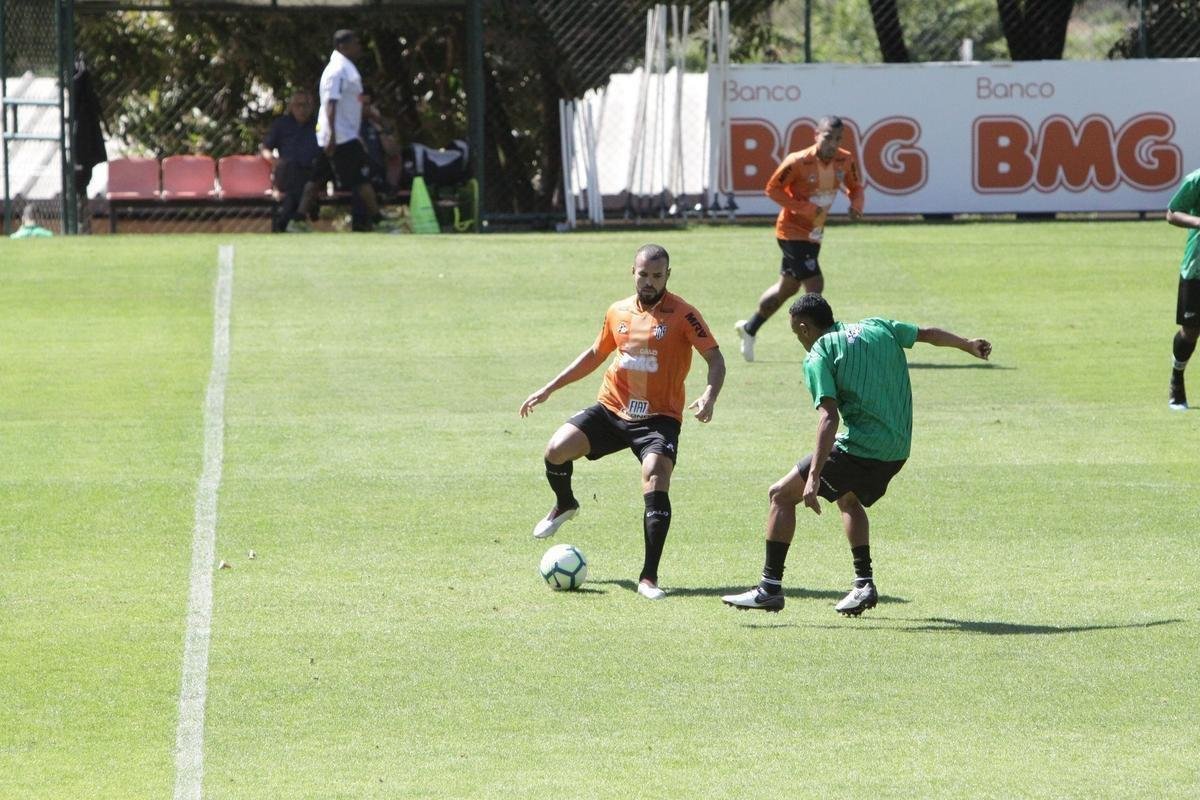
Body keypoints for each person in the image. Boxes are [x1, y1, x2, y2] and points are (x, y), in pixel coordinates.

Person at [722, 294, 991, 616]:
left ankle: (769, 588)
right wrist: (967, 345)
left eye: (797, 335)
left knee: (780, 495)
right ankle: (864, 585)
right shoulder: (878, 327)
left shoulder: (820, 353)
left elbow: (829, 418)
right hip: (898, 449)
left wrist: (814, 476)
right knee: (848, 498)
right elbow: (926, 333)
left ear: (805, 328)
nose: (800, 341)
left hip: (863, 449)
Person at [519, 244, 726, 600]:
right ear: (633, 272)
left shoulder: (684, 314)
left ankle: (648, 578)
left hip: (658, 419)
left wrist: (709, 395)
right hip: (612, 409)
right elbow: (594, 354)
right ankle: (565, 504)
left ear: (668, 276)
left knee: (656, 477)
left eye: (656, 276)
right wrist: (549, 388)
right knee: (555, 450)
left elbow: (716, 359)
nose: (648, 282)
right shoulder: (618, 311)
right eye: (643, 275)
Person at [734, 116, 864, 362]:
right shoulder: (798, 161)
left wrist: (856, 204)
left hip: (814, 233)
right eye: (828, 137)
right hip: (791, 231)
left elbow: (856, 186)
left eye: (838, 139)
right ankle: (822, 344)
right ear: (816, 134)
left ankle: (749, 329)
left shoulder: (844, 160)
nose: (832, 144)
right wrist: (804, 208)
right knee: (815, 285)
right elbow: (772, 188)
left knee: (787, 288)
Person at [296, 29, 382, 232]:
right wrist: (332, 135)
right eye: (355, 43)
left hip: (344, 134)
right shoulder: (336, 71)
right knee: (361, 179)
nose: (359, 47)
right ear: (342, 46)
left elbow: (350, 104)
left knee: (317, 179)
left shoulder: (347, 68)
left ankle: (297, 220)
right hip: (339, 136)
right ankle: (380, 220)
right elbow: (331, 103)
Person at [260, 89, 321, 233]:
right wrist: (275, 161)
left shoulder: (319, 125)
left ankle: (286, 222)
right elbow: (265, 149)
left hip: (312, 172)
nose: (302, 109)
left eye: (306, 105)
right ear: (291, 107)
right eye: (298, 105)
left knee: (298, 184)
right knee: (293, 168)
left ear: (312, 107)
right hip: (286, 171)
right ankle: (299, 218)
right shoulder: (281, 124)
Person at [1166, 166, 1200, 410]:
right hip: (1196, 268)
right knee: (1190, 331)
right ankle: (1177, 378)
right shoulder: (1196, 180)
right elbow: (1172, 213)